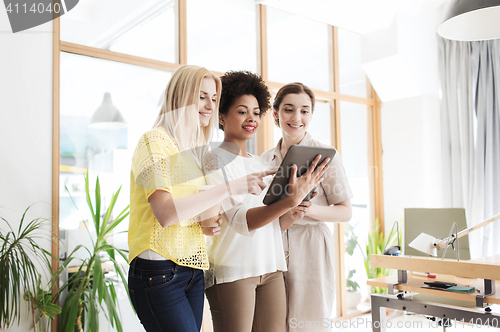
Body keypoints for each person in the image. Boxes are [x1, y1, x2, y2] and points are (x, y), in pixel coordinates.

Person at [128, 65, 275, 332]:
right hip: (158, 269)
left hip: (193, 271)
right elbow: (165, 213)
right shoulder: (153, 142)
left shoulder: (190, 151)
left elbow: (185, 210)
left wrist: (204, 221)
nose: (210, 105)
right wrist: (231, 187)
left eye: (214, 98)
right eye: (202, 96)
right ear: (180, 95)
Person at [202, 71, 328, 332]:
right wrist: (287, 201)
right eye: (242, 111)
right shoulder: (213, 161)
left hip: (271, 268)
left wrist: (292, 211)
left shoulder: (261, 162)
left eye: (256, 112)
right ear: (222, 117)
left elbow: (272, 225)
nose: (251, 119)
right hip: (234, 271)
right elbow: (241, 222)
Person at [261, 82, 353, 332]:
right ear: (276, 113)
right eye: (289, 109)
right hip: (274, 244)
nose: (297, 117)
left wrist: (305, 208)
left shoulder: (326, 155)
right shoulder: (264, 160)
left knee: (310, 322)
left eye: (305, 111)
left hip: (312, 245)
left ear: (311, 114)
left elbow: (345, 211)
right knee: (275, 322)